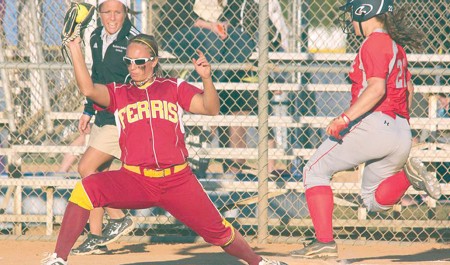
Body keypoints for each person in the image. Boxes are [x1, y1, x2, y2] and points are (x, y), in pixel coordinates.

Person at [41, 33, 288, 265]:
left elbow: (210, 108)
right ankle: (59, 258)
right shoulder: (120, 93)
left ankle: (259, 262)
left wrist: (206, 78)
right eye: (129, 62)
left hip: (178, 181)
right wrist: (74, 49)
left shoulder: (173, 87)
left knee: (219, 233)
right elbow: (88, 89)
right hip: (136, 178)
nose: (133, 67)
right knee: (86, 189)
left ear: (154, 61)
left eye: (140, 61)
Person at [290, 0, 442, 259]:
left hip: (375, 124)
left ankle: (324, 241)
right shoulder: (396, 47)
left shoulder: (374, 42)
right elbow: (408, 91)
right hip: (400, 129)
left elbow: (376, 89)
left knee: (314, 170)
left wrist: (344, 118)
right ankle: (408, 177)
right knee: (372, 201)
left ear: (365, 12)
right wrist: (400, 130)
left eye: (353, 14)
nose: (350, 20)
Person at [70, 0, 140, 255]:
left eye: (118, 12)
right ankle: (97, 238)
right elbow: (96, 77)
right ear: (98, 15)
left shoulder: (135, 39)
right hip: (101, 116)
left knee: (86, 168)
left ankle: (119, 217)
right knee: (99, 175)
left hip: (121, 119)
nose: (112, 17)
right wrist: (88, 110)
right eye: (106, 12)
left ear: (125, 13)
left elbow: (146, 79)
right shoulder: (96, 37)